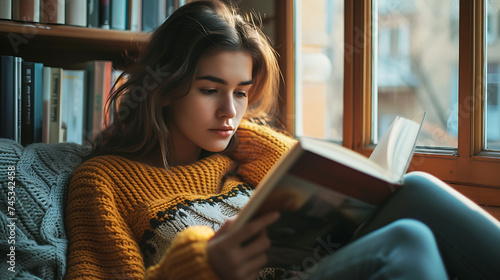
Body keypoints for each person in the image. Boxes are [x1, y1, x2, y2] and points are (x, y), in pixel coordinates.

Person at [64, 1, 500, 279]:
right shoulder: (103, 182)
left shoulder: (237, 155)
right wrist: (205, 265)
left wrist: (245, 140)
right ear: (164, 87)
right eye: (209, 89)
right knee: (408, 240)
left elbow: (303, 179)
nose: (229, 112)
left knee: (417, 190)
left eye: (240, 92)